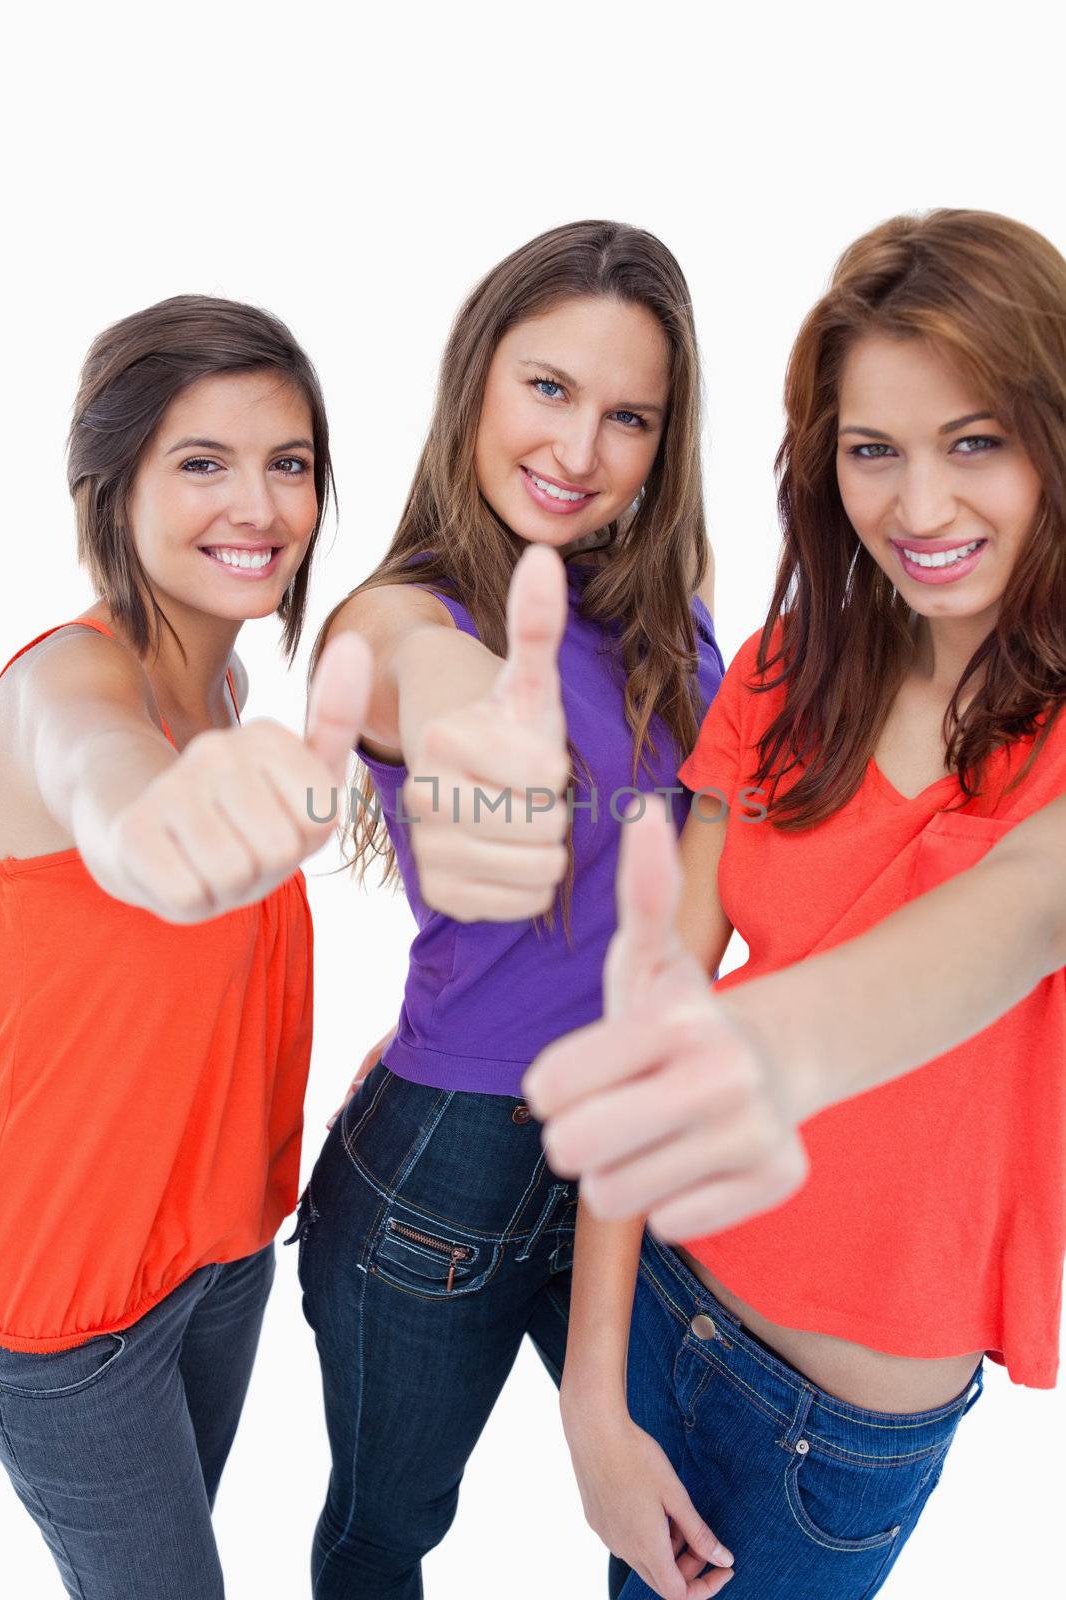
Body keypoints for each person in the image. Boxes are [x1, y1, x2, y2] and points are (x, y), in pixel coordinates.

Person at [524, 208, 1066, 1600]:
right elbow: (657, 995)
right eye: (872, 449)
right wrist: (593, 1397)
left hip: (830, 1439)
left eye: (976, 441)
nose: (920, 508)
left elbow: (1019, 904)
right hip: (659, 1306)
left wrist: (774, 1049)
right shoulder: (784, 673)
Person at [293, 220, 725, 1599]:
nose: (580, 449)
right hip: (447, 1179)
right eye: (547, 388)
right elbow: (418, 679)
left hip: (632, 1161)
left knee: (686, 1523)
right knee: (385, 1533)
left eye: (628, 416)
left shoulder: (672, 614)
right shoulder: (398, 616)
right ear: (476, 380)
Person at [0, 295, 369, 1600]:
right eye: (201, 462)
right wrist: (153, 833)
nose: (256, 505)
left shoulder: (232, 696)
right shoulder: (63, 689)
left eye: (290, 462)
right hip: (66, 1312)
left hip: (217, 1259)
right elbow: (111, 795)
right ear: (113, 482)